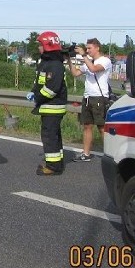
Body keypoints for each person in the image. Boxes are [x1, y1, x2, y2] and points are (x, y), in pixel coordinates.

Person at [30, 31, 69, 175]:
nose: (39, 48)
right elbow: (40, 82)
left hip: (52, 106)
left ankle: (52, 167)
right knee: (54, 136)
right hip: (49, 106)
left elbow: (51, 88)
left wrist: (37, 97)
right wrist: (34, 92)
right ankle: (57, 163)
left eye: (40, 45)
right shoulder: (47, 63)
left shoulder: (54, 65)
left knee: (49, 136)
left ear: (48, 46)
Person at [68, 38, 111, 162]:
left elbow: (93, 69)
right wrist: (69, 59)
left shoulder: (105, 61)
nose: (87, 50)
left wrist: (83, 55)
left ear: (97, 48)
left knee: (102, 127)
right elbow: (75, 73)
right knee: (87, 126)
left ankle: (109, 154)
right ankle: (86, 154)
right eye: (86, 48)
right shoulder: (88, 61)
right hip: (87, 97)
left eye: (89, 48)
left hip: (99, 98)